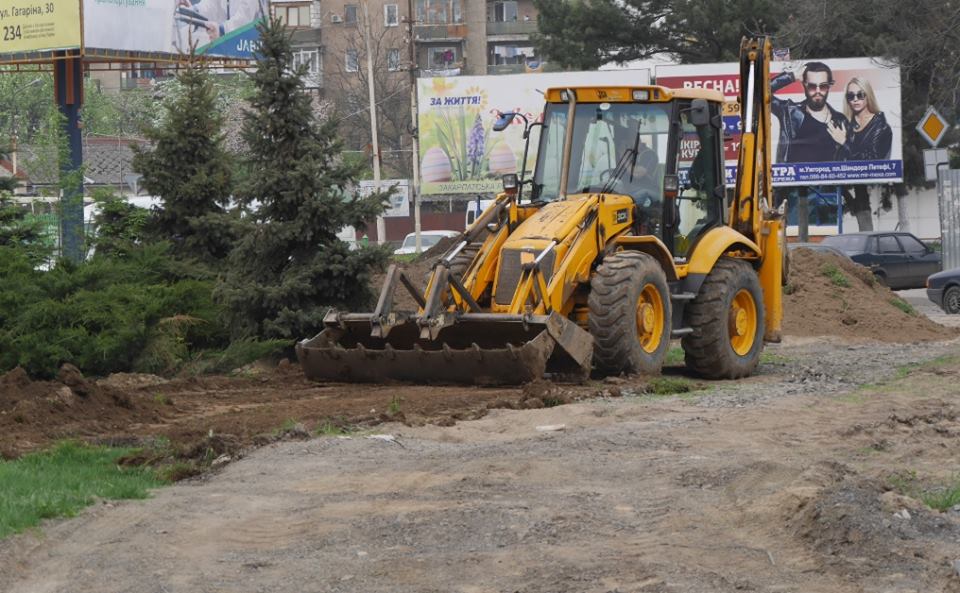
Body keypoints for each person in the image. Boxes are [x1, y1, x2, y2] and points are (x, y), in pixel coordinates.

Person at [771, 62, 849, 163]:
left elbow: (856, 159)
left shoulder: (840, 120)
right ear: (804, 85)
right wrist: (791, 77)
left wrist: (845, 143)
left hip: (829, 178)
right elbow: (759, 92)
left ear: (829, 86)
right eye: (812, 86)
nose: (818, 91)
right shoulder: (790, 113)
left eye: (823, 86)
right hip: (794, 178)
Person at [833, 77, 893, 160]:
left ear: (868, 95)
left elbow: (872, 161)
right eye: (851, 96)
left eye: (860, 95)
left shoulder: (881, 127)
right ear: (847, 99)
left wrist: (844, 142)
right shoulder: (844, 125)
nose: (855, 99)